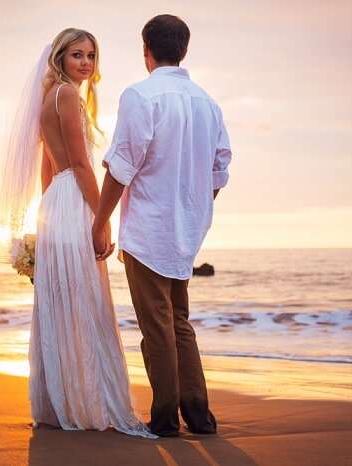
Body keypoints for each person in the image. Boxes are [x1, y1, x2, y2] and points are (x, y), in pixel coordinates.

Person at [0, 28, 155, 439]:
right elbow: (82, 167)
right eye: (77, 55)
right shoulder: (66, 96)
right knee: (84, 301)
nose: (86, 63)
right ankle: (87, 404)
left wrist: (48, 216)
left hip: (56, 202)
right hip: (74, 200)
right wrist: (101, 220)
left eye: (90, 56)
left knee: (65, 303)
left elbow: (48, 169)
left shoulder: (49, 97)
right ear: (60, 58)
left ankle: (61, 403)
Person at [92, 14, 232, 437]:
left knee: (157, 324)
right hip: (186, 229)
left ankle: (167, 418)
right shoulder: (208, 102)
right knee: (178, 321)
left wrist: (100, 222)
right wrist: (193, 208)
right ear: (183, 50)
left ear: (146, 51)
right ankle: (200, 416)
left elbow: (121, 166)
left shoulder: (141, 95)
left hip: (150, 227)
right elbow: (220, 167)